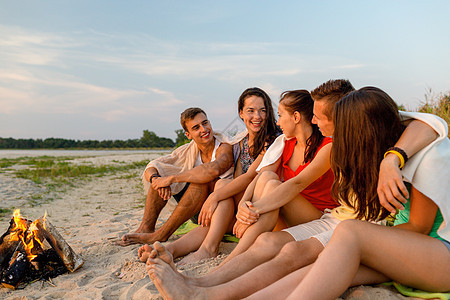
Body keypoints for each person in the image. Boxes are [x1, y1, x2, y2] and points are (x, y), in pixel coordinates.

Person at [142, 80, 440, 299]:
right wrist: (251, 206)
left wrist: (393, 158)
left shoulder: (414, 155)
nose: (315, 120)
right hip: (345, 222)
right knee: (281, 249)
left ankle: (206, 290)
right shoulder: (360, 147)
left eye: (320, 116)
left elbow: (429, 125)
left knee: (310, 252)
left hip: (391, 239)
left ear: (355, 126)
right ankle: (201, 288)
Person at [254, 87, 450, 300]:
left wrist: (392, 159)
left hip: (438, 251)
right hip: (412, 249)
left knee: (348, 233)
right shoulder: (393, 151)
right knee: (327, 267)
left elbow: (419, 227)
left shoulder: (424, 157)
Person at [138, 87, 280, 264]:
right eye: (251, 111)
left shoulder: (271, 139)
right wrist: (157, 178)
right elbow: (156, 165)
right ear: (241, 113)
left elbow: (249, 177)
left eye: (263, 110)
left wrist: (214, 198)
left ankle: (209, 248)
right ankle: (169, 250)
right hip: (241, 200)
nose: (257, 116)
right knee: (215, 221)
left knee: (220, 186)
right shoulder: (241, 142)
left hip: (261, 201)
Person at [119, 107, 234, 246]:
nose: (204, 129)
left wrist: (172, 179)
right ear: (188, 134)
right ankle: (146, 228)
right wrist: (157, 179)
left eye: (205, 123)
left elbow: (213, 170)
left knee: (200, 181)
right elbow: (153, 165)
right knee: (160, 176)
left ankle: (162, 234)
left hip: (219, 210)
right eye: (196, 127)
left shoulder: (225, 147)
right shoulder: (188, 150)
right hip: (197, 212)